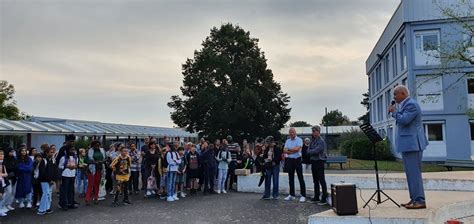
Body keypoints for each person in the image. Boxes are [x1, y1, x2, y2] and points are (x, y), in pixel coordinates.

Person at [388, 85, 429, 209]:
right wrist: (396, 112)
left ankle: (420, 200)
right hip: (408, 145)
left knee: (414, 173)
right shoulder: (405, 105)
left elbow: (404, 120)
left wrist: (394, 112)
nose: (394, 97)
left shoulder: (411, 105)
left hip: (413, 145)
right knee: (410, 174)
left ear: (403, 93)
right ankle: (414, 199)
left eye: (396, 94)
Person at [283, 128, 306, 202]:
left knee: (300, 177)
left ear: (295, 133)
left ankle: (303, 195)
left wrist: (289, 151)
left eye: (293, 132)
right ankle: (292, 195)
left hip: (297, 160)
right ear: (289, 134)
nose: (292, 134)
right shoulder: (287, 140)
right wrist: (291, 151)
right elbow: (284, 150)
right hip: (290, 160)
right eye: (290, 133)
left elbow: (297, 149)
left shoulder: (299, 140)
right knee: (290, 178)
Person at [307, 126, 328, 205]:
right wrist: (311, 151)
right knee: (315, 180)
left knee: (321, 180)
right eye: (312, 131)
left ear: (318, 131)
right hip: (314, 162)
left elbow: (317, 150)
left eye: (314, 131)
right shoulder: (313, 140)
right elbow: (308, 150)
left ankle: (324, 198)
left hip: (319, 161)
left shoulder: (321, 141)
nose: (313, 133)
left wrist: (311, 151)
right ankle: (316, 196)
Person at [37, 146, 57, 215]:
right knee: (45, 194)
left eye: (53, 152)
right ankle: (41, 209)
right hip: (44, 180)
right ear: (46, 153)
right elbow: (42, 172)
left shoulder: (53, 160)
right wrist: (49, 180)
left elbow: (55, 170)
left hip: (50, 181)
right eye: (51, 152)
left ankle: (47, 208)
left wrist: (53, 179)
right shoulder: (43, 161)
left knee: (49, 195)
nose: (52, 153)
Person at [85, 140, 106, 205]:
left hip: (99, 169)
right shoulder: (89, 151)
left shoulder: (102, 150)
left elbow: (106, 158)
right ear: (93, 145)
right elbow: (86, 160)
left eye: (98, 145)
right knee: (90, 184)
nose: (97, 147)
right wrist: (94, 162)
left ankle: (96, 198)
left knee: (97, 184)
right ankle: (87, 199)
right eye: (96, 145)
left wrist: (102, 161)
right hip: (91, 169)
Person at [58, 145, 79, 210]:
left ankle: (70, 203)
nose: (72, 151)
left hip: (72, 175)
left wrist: (75, 167)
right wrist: (67, 166)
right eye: (71, 150)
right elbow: (60, 166)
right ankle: (63, 204)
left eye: (73, 150)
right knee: (64, 190)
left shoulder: (76, 157)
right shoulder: (63, 158)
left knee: (71, 190)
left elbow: (76, 165)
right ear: (67, 150)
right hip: (65, 175)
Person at [261, 136, 282, 200]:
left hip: (275, 165)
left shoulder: (277, 148)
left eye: (268, 142)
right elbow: (264, 155)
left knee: (275, 180)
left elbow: (279, 157)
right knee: (267, 179)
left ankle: (275, 195)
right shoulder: (267, 148)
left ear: (272, 142)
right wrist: (264, 155)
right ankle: (267, 194)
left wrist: (274, 161)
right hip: (268, 165)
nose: (267, 144)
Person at [2, 147, 17, 212]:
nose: (12, 153)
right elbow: (7, 168)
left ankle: (8, 204)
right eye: (11, 152)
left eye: (13, 151)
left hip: (14, 178)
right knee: (8, 191)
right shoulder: (5, 160)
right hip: (7, 178)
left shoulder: (14, 159)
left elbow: (16, 167)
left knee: (13, 192)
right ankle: (3, 205)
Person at [0, 149, 10, 217]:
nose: (2, 155)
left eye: (2, 154)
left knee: (1, 197)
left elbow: (5, 173)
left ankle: (0, 210)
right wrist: (3, 174)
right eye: (0, 154)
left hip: (2, 182)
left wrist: (3, 174)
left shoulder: (3, 163)